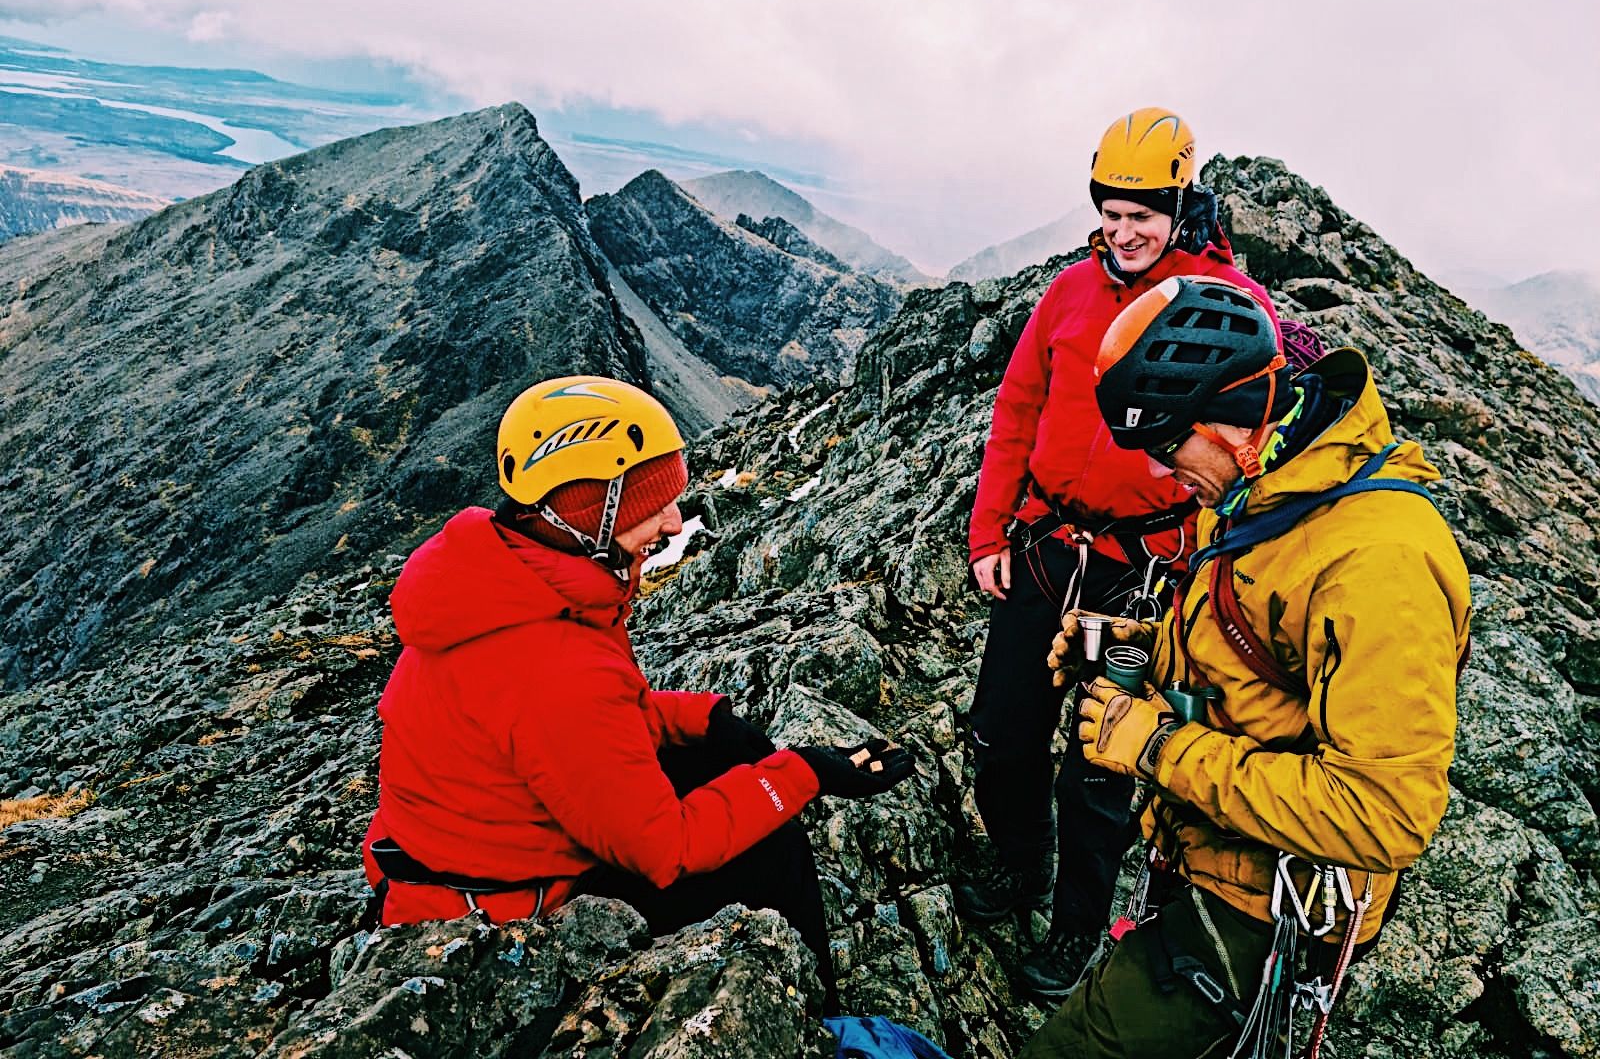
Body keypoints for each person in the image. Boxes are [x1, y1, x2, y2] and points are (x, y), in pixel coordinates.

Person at [1019, 275, 1470, 1058]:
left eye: (1167, 448)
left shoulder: (1379, 562)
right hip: (1207, 861)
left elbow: (1384, 815)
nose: (1163, 475)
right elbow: (1259, 661)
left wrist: (1157, 748)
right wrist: (1138, 646)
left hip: (1264, 910)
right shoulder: (1267, 491)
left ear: (1232, 426)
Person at [361, 375, 913, 1009]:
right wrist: (801, 773)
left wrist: (710, 722)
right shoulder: (554, 667)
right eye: (651, 503)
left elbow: (598, 729)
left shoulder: (508, 581)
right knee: (767, 838)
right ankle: (817, 1018)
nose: (674, 522)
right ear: (587, 509)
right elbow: (664, 850)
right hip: (491, 915)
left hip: (464, 859)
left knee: (721, 765)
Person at [960, 108, 1280, 996]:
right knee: (1004, 734)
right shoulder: (1068, 292)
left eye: (1143, 212)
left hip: (1144, 574)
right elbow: (1017, 407)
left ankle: (1074, 932)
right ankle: (1020, 863)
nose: (1122, 229)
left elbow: (1248, 451)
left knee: (1102, 766)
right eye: (1110, 209)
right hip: (1049, 548)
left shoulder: (1225, 310)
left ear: (1183, 203)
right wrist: (992, 530)